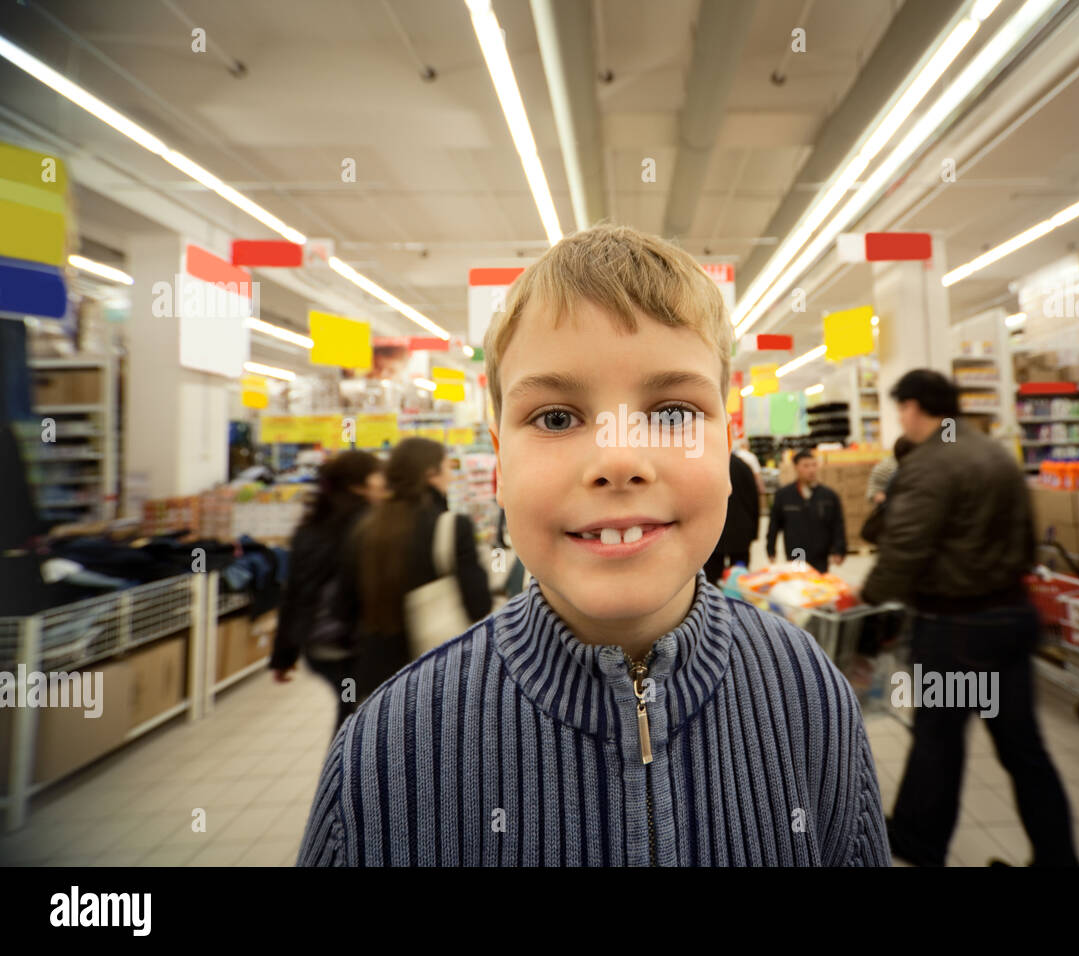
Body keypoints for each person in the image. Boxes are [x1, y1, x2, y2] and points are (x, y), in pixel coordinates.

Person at [299, 224, 889, 866]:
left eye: (672, 413)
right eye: (556, 418)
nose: (618, 459)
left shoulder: (809, 693)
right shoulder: (387, 750)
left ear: (726, 445)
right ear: (499, 466)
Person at [861, 369, 1077, 867]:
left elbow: (905, 548)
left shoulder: (932, 462)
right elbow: (1028, 538)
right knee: (1025, 749)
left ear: (914, 407)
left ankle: (919, 841)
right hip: (1010, 618)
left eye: (901, 409)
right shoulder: (994, 451)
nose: (901, 420)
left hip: (957, 629)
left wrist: (870, 601)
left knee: (938, 738)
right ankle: (1058, 857)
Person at [333, 437, 493, 704]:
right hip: (438, 676)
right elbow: (478, 605)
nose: (451, 477)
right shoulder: (451, 526)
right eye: (447, 467)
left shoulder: (363, 529)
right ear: (431, 473)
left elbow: (343, 609)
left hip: (377, 680)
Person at [271, 451, 384, 736]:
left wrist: (284, 656)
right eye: (377, 475)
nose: (383, 482)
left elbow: (294, 593)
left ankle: (345, 771)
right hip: (348, 640)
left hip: (319, 644)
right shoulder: (366, 524)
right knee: (355, 715)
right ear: (358, 484)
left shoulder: (310, 527)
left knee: (352, 707)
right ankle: (343, 775)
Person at [766, 449, 847, 573]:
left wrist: (839, 549)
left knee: (819, 587)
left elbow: (837, 525)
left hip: (820, 555)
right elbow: (774, 524)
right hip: (796, 552)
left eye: (814, 465)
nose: (811, 470)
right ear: (796, 467)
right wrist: (771, 549)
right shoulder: (784, 495)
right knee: (798, 587)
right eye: (806, 466)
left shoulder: (829, 496)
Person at [704, 450, 760, 584]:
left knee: (712, 576)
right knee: (739, 577)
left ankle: (713, 602)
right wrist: (754, 531)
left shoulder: (708, 465)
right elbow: (754, 500)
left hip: (713, 531)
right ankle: (738, 602)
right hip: (741, 530)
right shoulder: (744, 467)